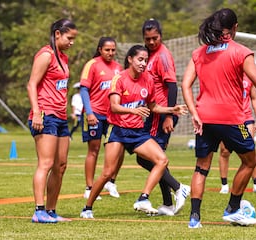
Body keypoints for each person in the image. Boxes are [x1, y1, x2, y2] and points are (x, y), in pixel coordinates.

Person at [181, 8, 256, 228]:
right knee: (251, 161)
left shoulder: (199, 53)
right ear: (235, 27)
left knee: (201, 168)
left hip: (205, 118)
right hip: (235, 121)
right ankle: (233, 208)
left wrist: (195, 114)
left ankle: (194, 218)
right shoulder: (241, 51)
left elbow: (185, 85)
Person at [80, 45, 188, 219]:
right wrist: (134, 111)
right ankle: (87, 208)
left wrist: (171, 109)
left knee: (162, 160)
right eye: (140, 59)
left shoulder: (148, 80)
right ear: (130, 59)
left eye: (146, 60)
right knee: (108, 173)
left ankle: (143, 198)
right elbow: (114, 106)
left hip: (137, 132)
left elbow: (153, 106)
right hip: (118, 131)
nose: (143, 63)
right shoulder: (119, 78)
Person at [136, 19, 190, 216]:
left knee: (147, 159)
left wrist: (169, 115)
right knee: (153, 159)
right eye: (147, 39)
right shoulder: (149, 55)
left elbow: (172, 85)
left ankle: (178, 188)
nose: (151, 42)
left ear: (161, 35)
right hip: (154, 113)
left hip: (161, 115)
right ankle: (168, 202)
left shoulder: (163, 56)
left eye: (154, 38)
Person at [26, 18, 78, 223]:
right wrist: (36, 112)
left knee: (61, 165)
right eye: (69, 38)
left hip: (60, 117)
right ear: (57, 34)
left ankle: (50, 211)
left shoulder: (63, 58)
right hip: (45, 115)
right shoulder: (45, 54)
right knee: (46, 163)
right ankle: (38, 211)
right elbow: (31, 84)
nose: (72, 42)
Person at [79, 37, 123, 199]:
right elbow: (84, 90)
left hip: (112, 115)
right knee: (94, 150)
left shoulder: (118, 68)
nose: (110, 53)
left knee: (118, 149)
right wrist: (89, 113)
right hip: (95, 114)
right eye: (107, 50)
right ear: (100, 49)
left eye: (113, 50)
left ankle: (111, 182)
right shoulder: (92, 65)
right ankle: (89, 187)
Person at [219, 75, 256, 195]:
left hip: (244, 119)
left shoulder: (249, 78)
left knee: (250, 150)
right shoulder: (226, 75)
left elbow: (254, 98)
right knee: (224, 151)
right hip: (228, 119)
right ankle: (224, 184)